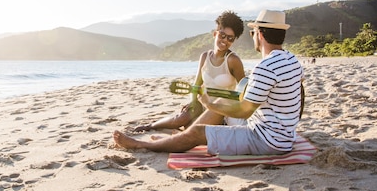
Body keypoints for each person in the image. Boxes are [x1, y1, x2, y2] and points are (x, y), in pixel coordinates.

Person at [114, 10, 303, 155]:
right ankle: (177, 137)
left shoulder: (266, 66)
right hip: (282, 135)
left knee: (197, 132)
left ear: (259, 34)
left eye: (253, 32)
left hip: (265, 140)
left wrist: (208, 103)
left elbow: (245, 110)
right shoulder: (292, 60)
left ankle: (141, 144)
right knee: (218, 106)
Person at [134, 10, 246, 132]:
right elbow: (196, 84)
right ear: (215, 34)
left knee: (192, 130)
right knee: (182, 118)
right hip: (203, 104)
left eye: (230, 38)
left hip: (220, 110)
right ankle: (151, 126)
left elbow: (244, 91)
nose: (225, 41)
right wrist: (193, 102)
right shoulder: (204, 57)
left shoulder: (233, 60)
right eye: (222, 35)